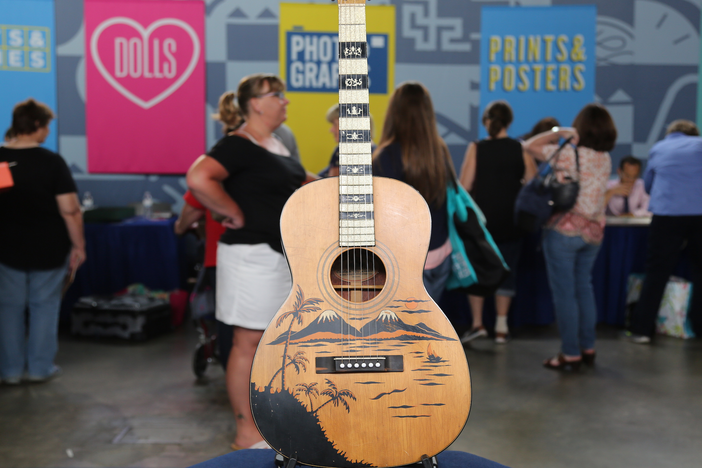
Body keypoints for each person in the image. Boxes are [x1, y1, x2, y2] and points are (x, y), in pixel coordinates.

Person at [186, 74, 306, 449]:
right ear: (255, 103)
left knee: (277, 342)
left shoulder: (277, 145)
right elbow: (198, 177)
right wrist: (230, 211)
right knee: (248, 342)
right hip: (250, 258)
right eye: (277, 95)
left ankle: (271, 421)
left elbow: (305, 181)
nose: (285, 101)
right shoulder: (238, 145)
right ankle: (246, 433)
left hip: (279, 258)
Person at [523, 103, 616, 371]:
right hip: (594, 233)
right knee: (584, 289)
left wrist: (559, 131)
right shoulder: (605, 158)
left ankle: (570, 353)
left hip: (564, 230)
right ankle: (588, 348)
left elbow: (529, 146)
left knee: (565, 295)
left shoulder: (569, 155)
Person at [0, 99, 86, 385]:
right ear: (36, 125)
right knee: (44, 307)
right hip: (49, 247)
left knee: (8, 308)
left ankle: (10, 371)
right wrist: (79, 245)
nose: (48, 132)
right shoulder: (51, 162)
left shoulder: (0, 160)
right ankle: (39, 368)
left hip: (6, 248)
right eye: (47, 125)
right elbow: (70, 210)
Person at [458, 101, 536, 344]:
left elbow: (465, 185)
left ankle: (478, 324)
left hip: (482, 224)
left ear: (486, 122)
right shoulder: (520, 149)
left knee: (479, 271)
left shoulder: (476, 148)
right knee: (507, 272)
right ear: (509, 122)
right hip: (511, 222)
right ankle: (502, 327)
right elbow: (532, 183)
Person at [372, 81, 455, 303]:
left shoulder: (385, 156)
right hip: (441, 252)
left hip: (405, 261)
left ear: (393, 113)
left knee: (404, 333)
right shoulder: (440, 150)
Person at [623, 119, 702, 343]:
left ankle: (642, 331)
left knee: (657, 272)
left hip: (667, 215)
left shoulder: (659, 148)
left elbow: (648, 186)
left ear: (671, 134)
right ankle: (699, 327)